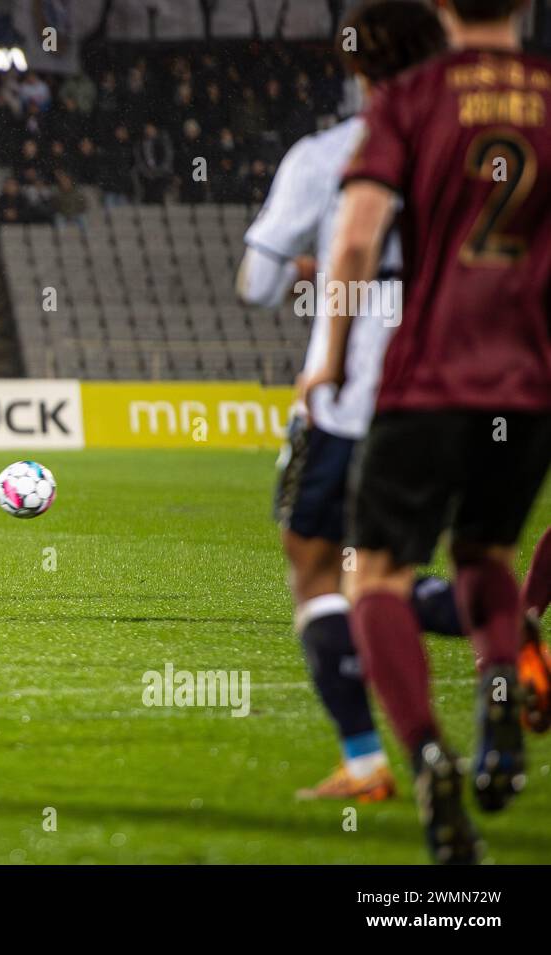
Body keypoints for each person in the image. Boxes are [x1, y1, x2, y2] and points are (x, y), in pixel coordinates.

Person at [308, 0, 551, 862]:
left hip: (426, 379)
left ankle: (426, 756)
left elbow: (355, 242)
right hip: (527, 384)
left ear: (443, 6)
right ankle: (498, 682)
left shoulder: (410, 100)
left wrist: (330, 351)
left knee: (374, 573)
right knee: (484, 553)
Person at [238, 0, 456, 804]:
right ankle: (499, 626)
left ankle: (367, 760)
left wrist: (312, 272)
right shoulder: (484, 151)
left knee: (321, 565)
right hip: (477, 385)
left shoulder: (332, 153)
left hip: (361, 388)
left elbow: (257, 283)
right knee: (399, 568)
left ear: (357, 68)